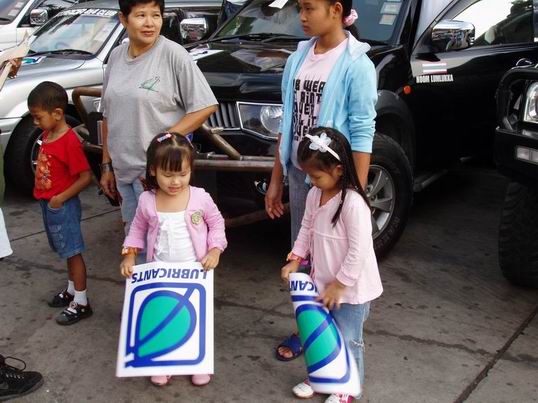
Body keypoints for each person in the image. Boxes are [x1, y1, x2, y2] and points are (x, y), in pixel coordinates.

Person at [265, 0, 377, 361]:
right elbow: (287, 122)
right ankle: (309, 328)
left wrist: (354, 194)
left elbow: (362, 132)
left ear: (335, 9)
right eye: (299, 7)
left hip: (337, 182)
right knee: (304, 254)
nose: (302, 16)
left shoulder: (356, 64)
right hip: (302, 175)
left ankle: (339, 335)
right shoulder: (298, 57)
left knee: (337, 255)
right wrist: (277, 178)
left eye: (309, 8)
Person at [281, 128, 382, 403]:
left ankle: (348, 387)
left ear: (338, 170)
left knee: (348, 339)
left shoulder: (353, 204)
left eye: (316, 176)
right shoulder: (315, 195)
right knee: (319, 334)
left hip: (350, 291)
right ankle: (321, 377)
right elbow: (306, 228)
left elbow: (359, 250)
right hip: (323, 283)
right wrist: (295, 258)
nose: (311, 181)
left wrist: (340, 284)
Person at [100, 0, 218, 237]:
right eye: (140, 15)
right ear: (123, 19)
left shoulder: (173, 54)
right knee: (134, 240)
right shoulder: (115, 57)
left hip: (158, 175)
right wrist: (106, 165)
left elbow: (205, 106)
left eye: (155, 15)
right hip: (123, 172)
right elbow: (107, 115)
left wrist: (163, 142)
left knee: (162, 245)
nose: (149, 23)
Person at [119, 132, 227, 387]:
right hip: (160, 273)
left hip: (195, 273)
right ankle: (164, 361)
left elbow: (217, 224)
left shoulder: (200, 197)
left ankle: (197, 363)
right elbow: (136, 229)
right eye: (168, 175)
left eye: (183, 173)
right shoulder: (147, 200)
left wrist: (215, 250)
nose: (176, 181)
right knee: (163, 315)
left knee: (194, 317)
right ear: (153, 171)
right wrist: (130, 255)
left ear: (191, 170)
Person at [29, 82, 93, 325]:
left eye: (38, 117)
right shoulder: (48, 134)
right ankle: (71, 290)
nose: (35, 122)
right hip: (49, 204)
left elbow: (86, 177)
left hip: (62, 205)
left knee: (73, 252)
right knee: (65, 250)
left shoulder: (69, 141)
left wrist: (60, 198)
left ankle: (82, 302)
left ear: (57, 113)